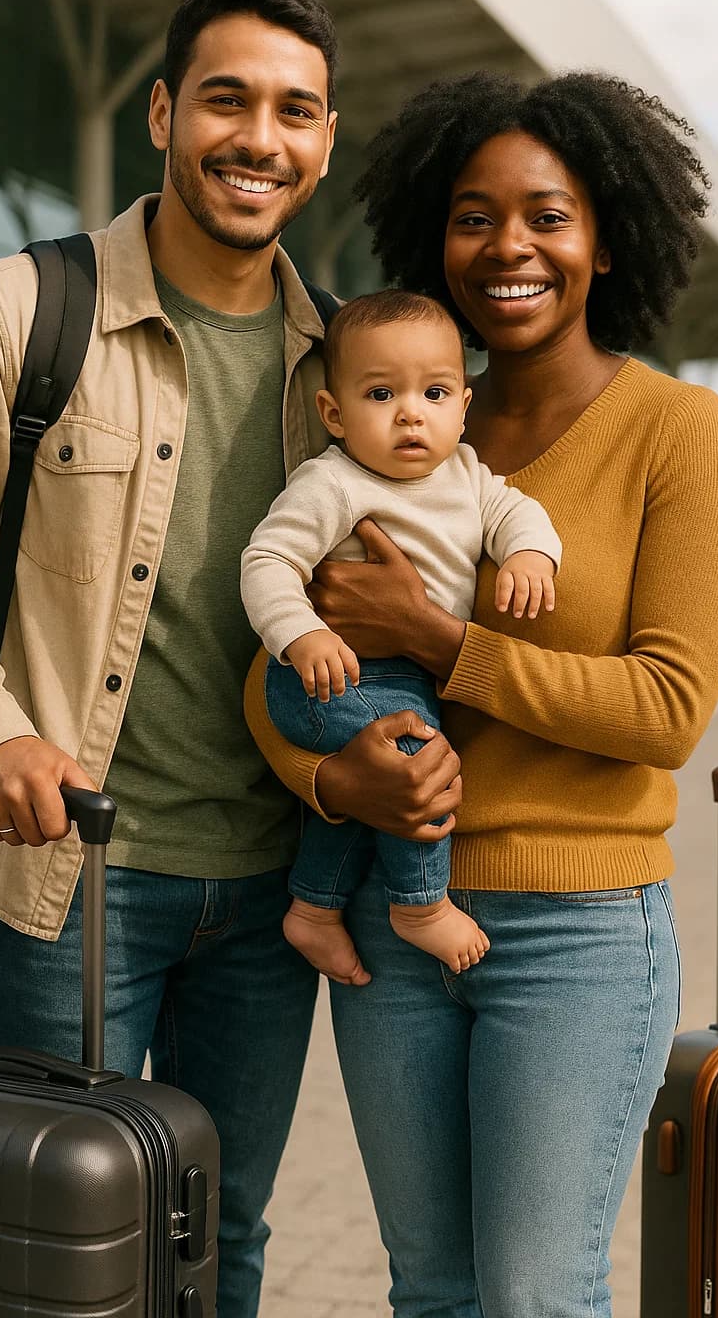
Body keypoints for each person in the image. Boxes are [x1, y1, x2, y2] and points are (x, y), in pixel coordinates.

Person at [0, 0, 456, 1318]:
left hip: (274, 880)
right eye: (227, 100)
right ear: (166, 114)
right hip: (73, 879)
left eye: (295, 111)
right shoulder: (21, 310)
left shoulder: (339, 364)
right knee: (53, 1243)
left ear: (327, 140)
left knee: (222, 1238)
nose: (260, 138)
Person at [245, 69, 718, 1318]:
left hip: (577, 936)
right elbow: (274, 658)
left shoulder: (678, 432)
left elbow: (665, 710)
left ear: (607, 234)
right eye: (473, 216)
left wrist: (442, 633)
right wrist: (325, 774)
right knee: (429, 1291)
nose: (509, 245)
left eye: (547, 213)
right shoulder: (380, 430)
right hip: (387, 921)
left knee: (535, 1293)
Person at [241, 289, 561, 983]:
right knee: (415, 763)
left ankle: (314, 908)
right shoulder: (333, 482)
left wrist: (531, 556)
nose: (412, 412)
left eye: (436, 392)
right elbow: (266, 560)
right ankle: (419, 904)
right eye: (382, 393)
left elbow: (517, 513)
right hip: (323, 680)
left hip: (407, 679)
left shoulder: (466, 476)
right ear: (335, 414)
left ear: (463, 407)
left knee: (370, 795)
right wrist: (300, 635)